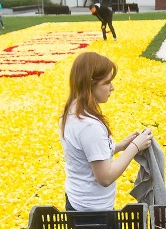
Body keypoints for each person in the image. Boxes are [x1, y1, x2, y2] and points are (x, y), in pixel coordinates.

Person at [60, 52, 153, 211]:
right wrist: (134, 147)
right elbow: (105, 177)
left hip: (79, 203)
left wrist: (121, 145)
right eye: (107, 82)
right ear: (90, 84)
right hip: (92, 213)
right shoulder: (88, 126)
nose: (112, 87)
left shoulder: (72, 111)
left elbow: (89, 155)